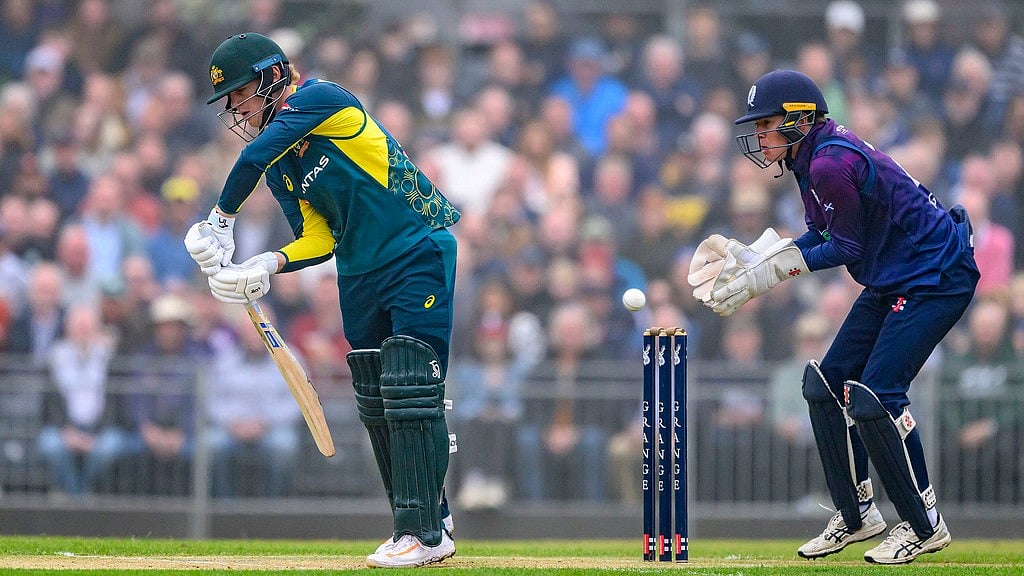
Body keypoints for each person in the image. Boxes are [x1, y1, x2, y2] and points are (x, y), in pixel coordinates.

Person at [183, 33, 459, 568]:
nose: (236, 107)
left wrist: (221, 218)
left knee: (411, 381)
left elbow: (254, 155)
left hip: (415, 246)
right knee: (377, 393)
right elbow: (319, 237)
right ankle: (431, 516)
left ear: (271, 76)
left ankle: (421, 534)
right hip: (358, 269)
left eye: (240, 92)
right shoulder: (284, 162)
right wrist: (269, 264)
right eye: (229, 101)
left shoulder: (322, 100)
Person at [688, 69, 978, 564]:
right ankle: (855, 515)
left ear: (800, 119)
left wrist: (776, 271)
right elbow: (822, 236)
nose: (759, 135)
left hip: (937, 275)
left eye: (767, 124)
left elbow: (846, 246)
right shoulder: (809, 160)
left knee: (878, 394)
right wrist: (764, 259)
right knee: (824, 384)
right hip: (896, 273)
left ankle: (924, 523)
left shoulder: (827, 163)